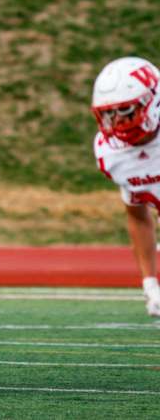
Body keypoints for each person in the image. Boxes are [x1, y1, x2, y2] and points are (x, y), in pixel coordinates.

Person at [92, 56, 160, 317]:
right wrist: (150, 282)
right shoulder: (112, 154)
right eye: (109, 114)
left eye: (126, 112)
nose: (118, 124)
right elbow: (138, 214)